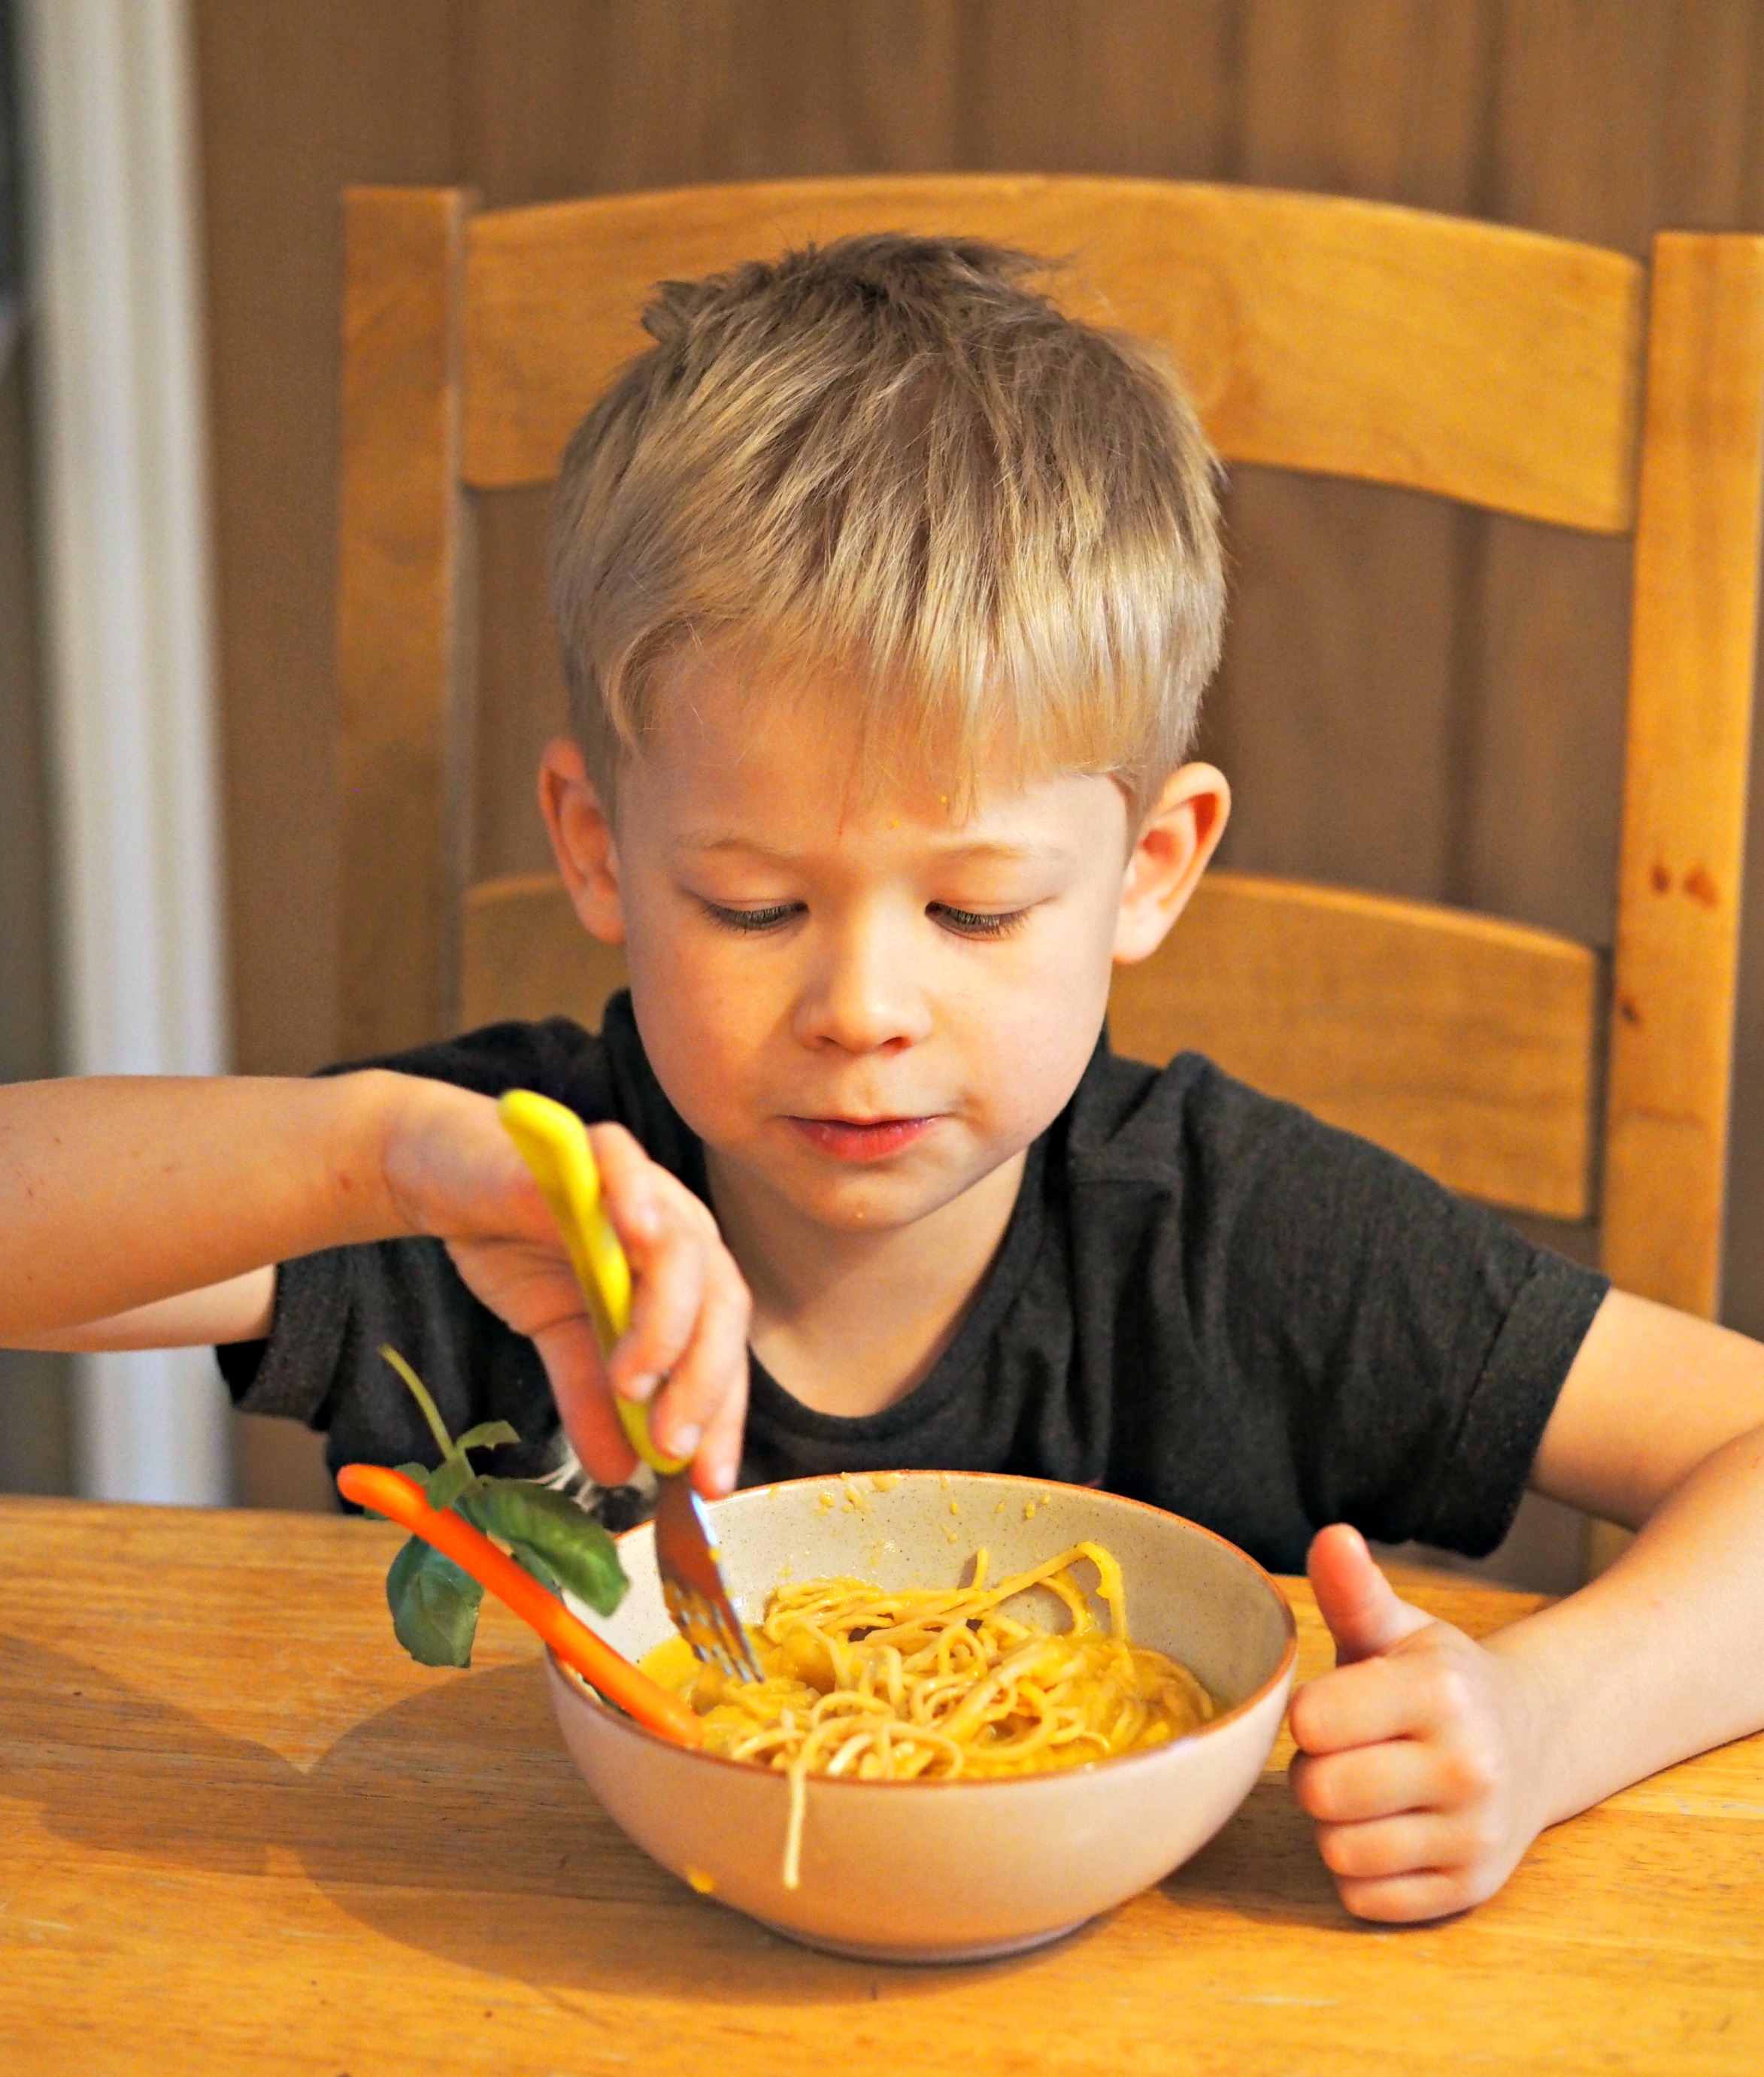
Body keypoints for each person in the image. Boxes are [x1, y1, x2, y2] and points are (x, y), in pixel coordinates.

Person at [6, 235, 1764, 1927]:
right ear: (599, 850)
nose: (862, 1006)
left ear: (1152, 865)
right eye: (754, 904)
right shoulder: (505, 1203)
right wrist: (365, 1152)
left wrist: (1547, 1720)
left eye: (975, 909)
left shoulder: (1241, 1241)